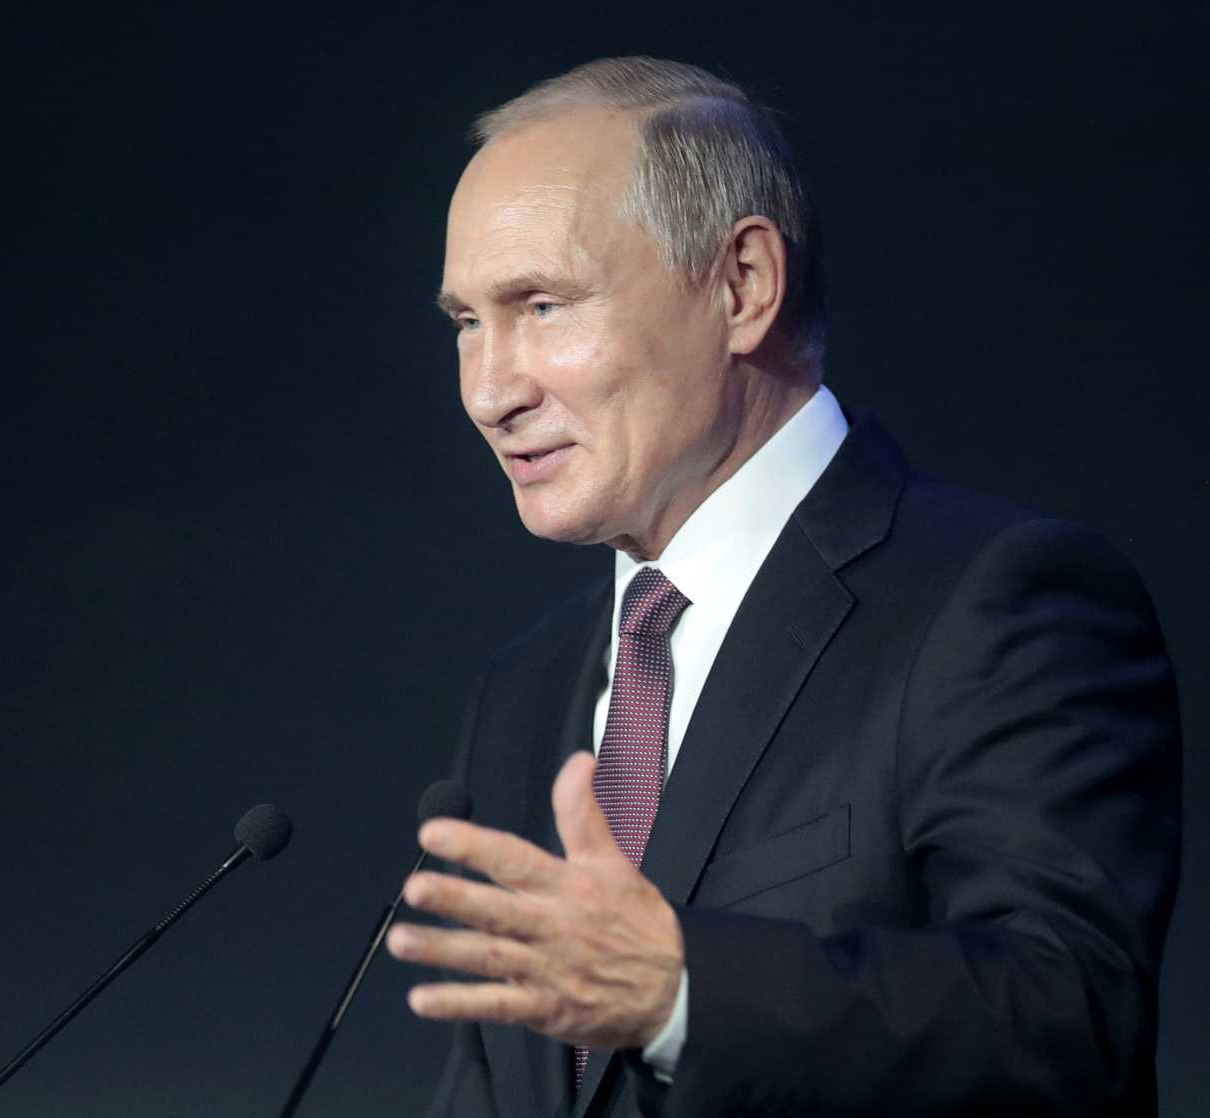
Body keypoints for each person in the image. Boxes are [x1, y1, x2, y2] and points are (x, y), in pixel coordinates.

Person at [382, 57, 1181, 1117]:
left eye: (542, 303)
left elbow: (1070, 1016)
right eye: (466, 322)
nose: (490, 388)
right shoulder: (524, 694)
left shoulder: (999, 602)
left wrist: (681, 990)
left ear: (742, 285)